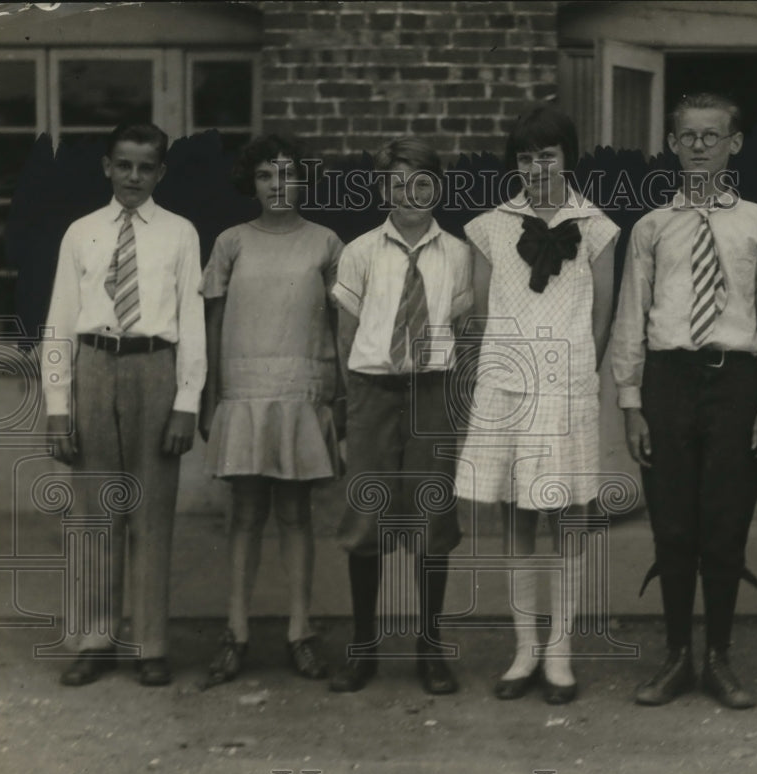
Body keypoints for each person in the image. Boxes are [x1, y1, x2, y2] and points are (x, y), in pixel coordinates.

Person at [611, 93, 757, 709]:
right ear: (672, 143)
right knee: (672, 525)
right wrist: (631, 401)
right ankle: (675, 658)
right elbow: (630, 319)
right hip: (668, 381)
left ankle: (719, 657)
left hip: (735, 382)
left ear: (733, 145)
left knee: (725, 522)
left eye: (711, 136)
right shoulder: (651, 228)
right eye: (687, 136)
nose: (698, 146)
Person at [456, 106, 619, 705]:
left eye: (547, 155)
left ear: (567, 157)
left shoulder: (596, 226)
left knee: (567, 513)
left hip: (568, 384)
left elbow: (603, 312)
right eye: (525, 157)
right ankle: (525, 647)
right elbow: (479, 311)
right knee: (519, 515)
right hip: (508, 384)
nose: (536, 167)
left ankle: (561, 651)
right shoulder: (491, 226)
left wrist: (580, 372)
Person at [42, 122, 206, 687]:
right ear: (107, 167)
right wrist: (58, 405)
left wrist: (187, 401)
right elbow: (60, 323)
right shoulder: (81, 233)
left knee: (151, 512)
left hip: (155, 367)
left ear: (160, 172)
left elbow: (193, 321)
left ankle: (150, 643)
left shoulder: (181, 234)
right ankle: (96, 639)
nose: (134, 176)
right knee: (94, 514)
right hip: (93, 366)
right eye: (124, 165)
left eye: (145, 167)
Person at [198, 134, 345, 688]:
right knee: (245, 515)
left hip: (303, 390)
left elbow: (338, 325)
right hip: (244, 390)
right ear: (252, 182)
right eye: (266, 175)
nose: (278, 186)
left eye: (288, 174)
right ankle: (235, 633)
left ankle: (300, 631)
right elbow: (213, 324)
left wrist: (341, 393)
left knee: (296, 514)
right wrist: (212, 394)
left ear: (303, 180)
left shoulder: (326, 242)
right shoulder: (231, 242)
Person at [330, 136, 472, 695]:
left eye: (420, 182)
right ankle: (364, 645)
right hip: (372, 388)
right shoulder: (361, 251)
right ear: (381, 188)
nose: (409, 194)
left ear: (437, 186)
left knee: (432, 519)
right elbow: (346, 332)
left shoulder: (458, 254)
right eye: (395, 183)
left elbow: (463, 332)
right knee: (366, 516)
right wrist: (352, 401)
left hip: (433, 391)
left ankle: (429, 647)